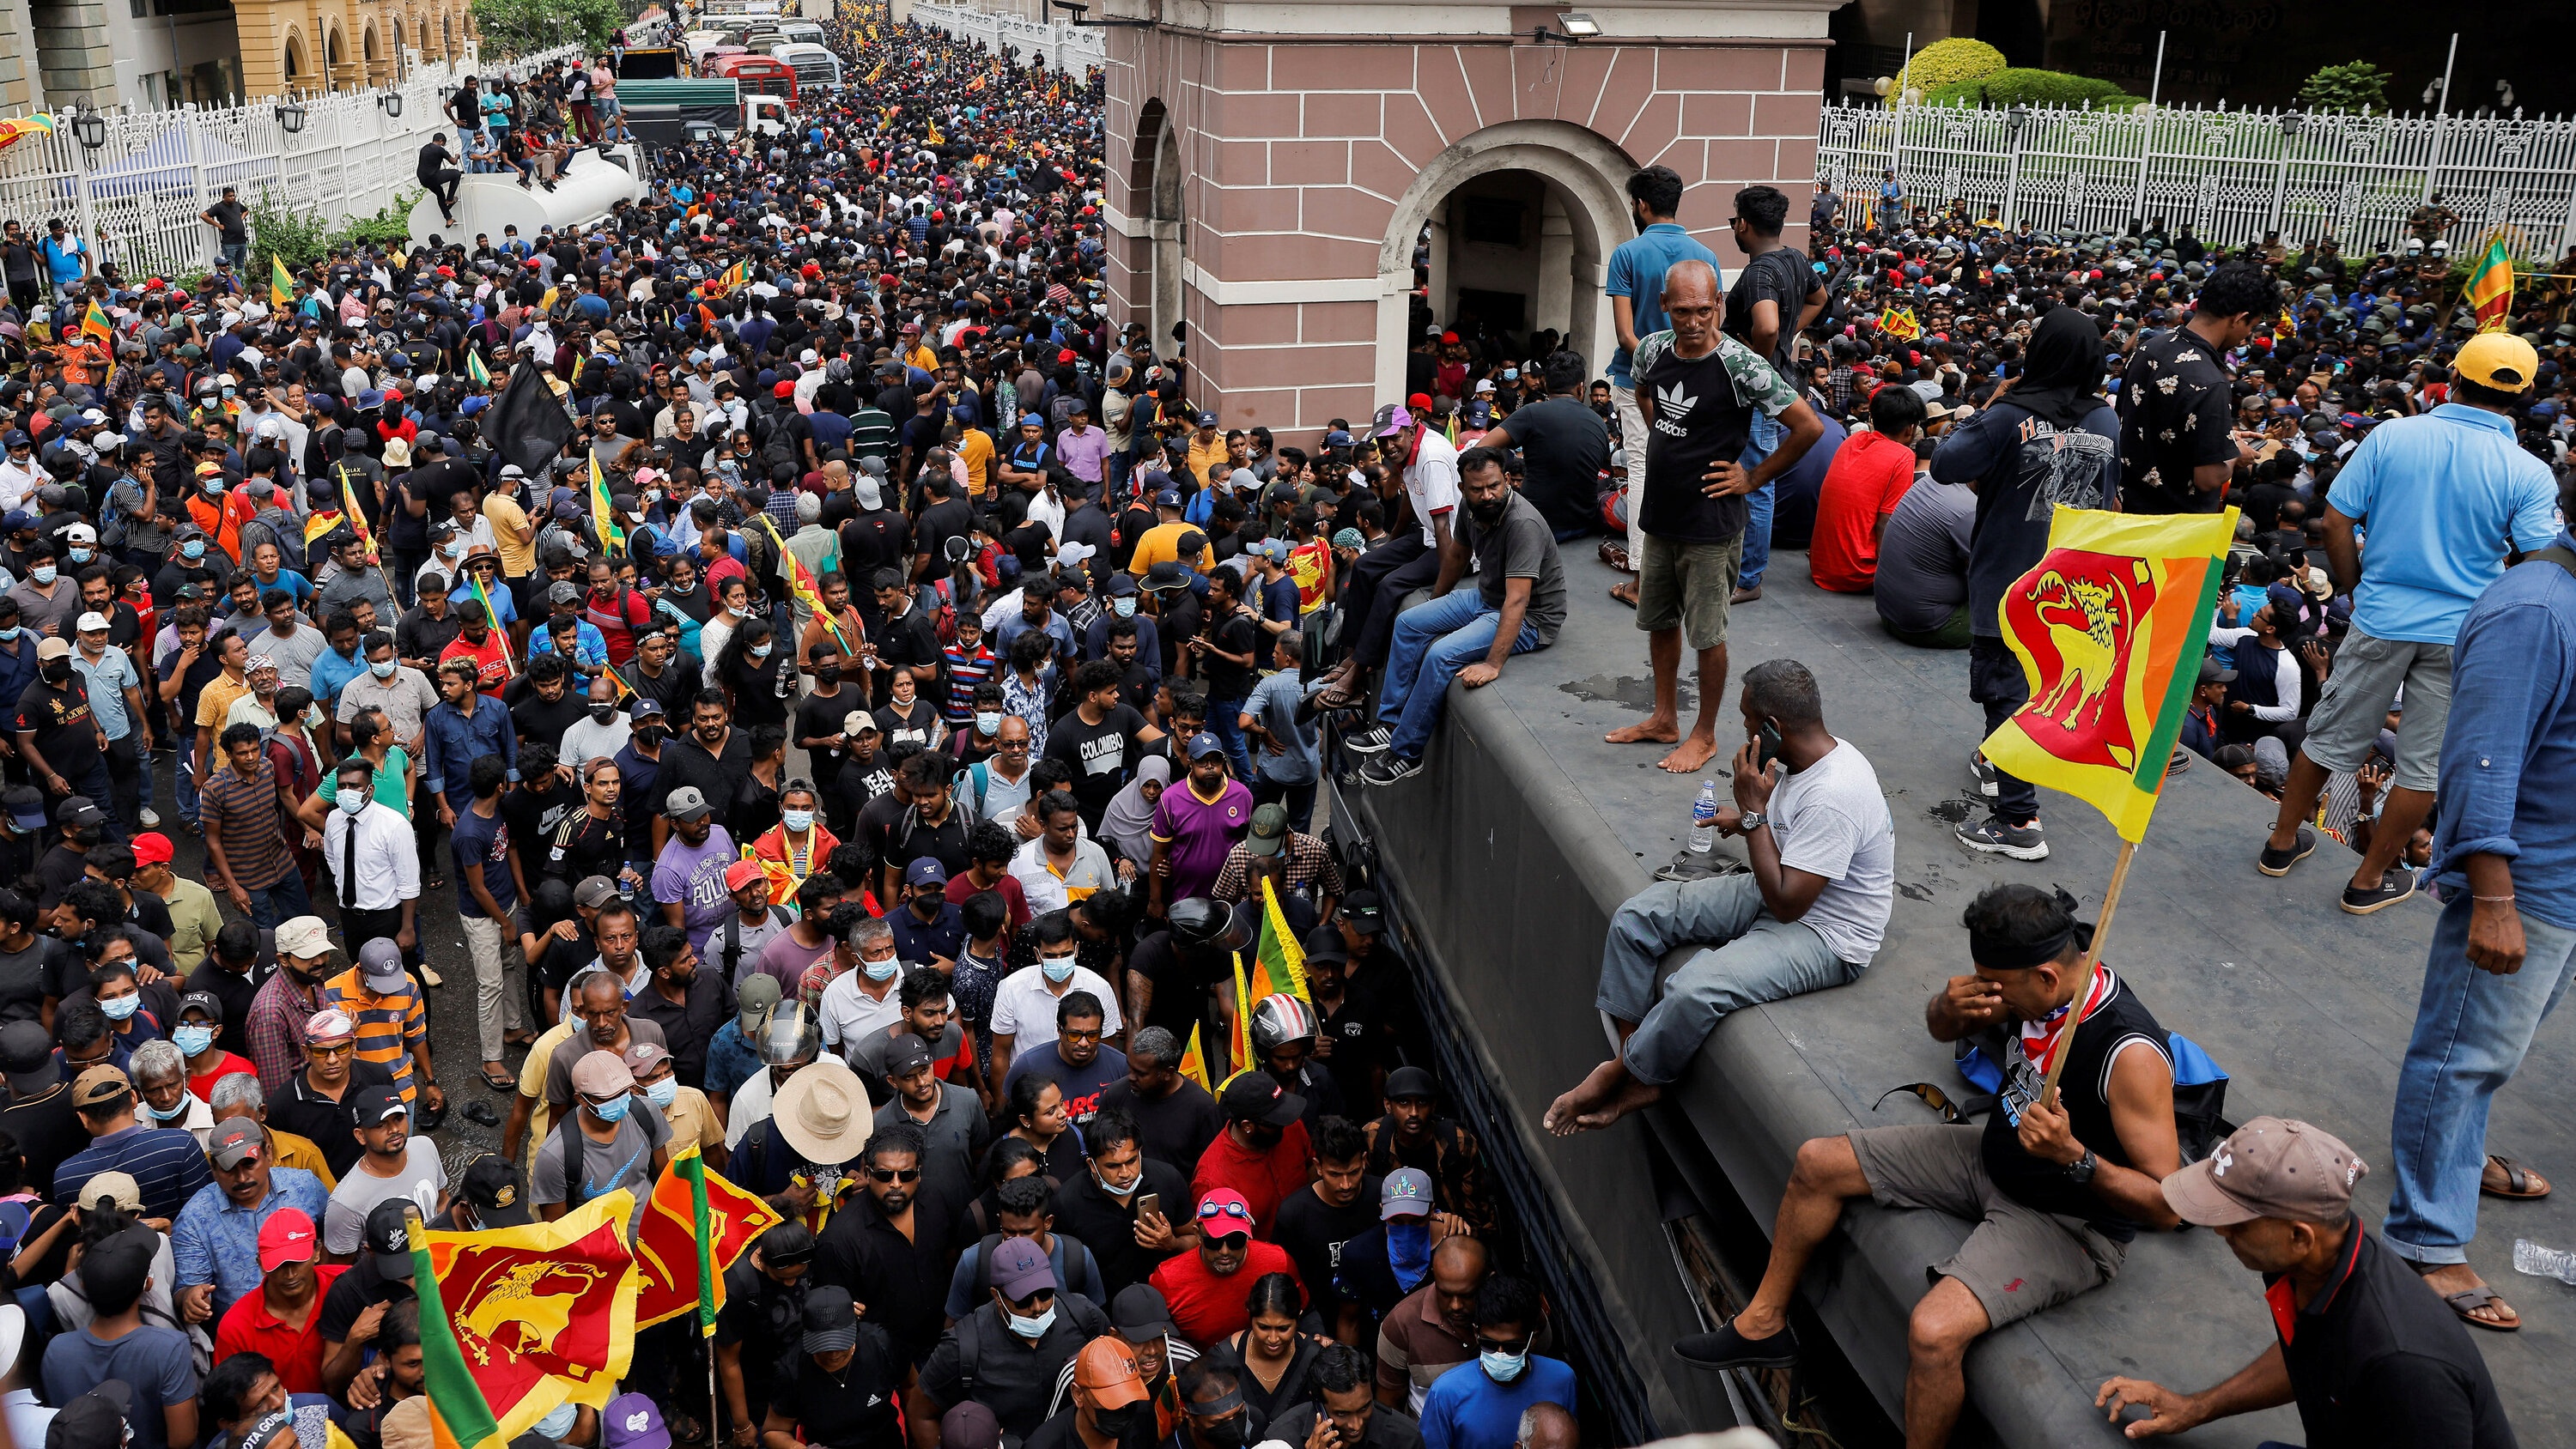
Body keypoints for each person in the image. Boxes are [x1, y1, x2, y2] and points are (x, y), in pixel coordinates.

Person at [1673, 884, 2182, 1449]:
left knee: (1934, 1330)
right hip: (1993, 1155)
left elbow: (2169, 1203)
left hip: (2065, 1221)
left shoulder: (2129, 1054)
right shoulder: (2044, 982)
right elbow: (1943, 1029)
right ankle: (1763, 1324)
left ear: (2044, 978)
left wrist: (2077, 1158)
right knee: (1818, 1163)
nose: (1990, 993)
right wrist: (1948, 1008)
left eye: (1997, 986)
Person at [2257, 332, 2557, 915]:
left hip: (2382, 615)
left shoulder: (2393, 436)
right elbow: (2538, 561)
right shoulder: (2529, 472)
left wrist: (2355, 589)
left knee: (2328, 737)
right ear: (2522, 395)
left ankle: (2280, 842)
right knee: (2424, 766)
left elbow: (2337, 523)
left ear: (2452, 375)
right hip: (2464, 634)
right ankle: (2368, 881)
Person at [2378, 511, 2576, 1334]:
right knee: (2462, 1055)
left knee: (2493, 1053)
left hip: (2561, 882)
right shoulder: (2536, 610)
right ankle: (2425, 1240)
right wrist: (2493, 898)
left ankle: (2454, 1162)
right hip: (2524, 886)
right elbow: (2480, 757)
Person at [1548, 661, 1893, 1133]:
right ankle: (1638, 1062)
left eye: (1748, 718)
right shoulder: (1806, 761)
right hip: (1781, 885)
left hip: (1826, 931)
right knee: (1637, 917)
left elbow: (1790, 904)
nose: (1744, 727)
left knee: (1695, 987)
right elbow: (1792, 837)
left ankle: (1627, 1073)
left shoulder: (1836, 794)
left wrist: (1753, 815)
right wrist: (1751, 814)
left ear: (1772, 728)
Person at [2093, 1117, 2515, 1447]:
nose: (2221, 1233)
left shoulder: (2404, 1366)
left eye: (2236, 1222)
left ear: (2299, 1236)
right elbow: (2311, 1348)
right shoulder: (2314, 1266)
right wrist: (2194, 1407)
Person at [1601, 260, 1822, 775]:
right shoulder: (1653, 349)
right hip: (1660, 516)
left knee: (1707, 634)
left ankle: (1704, 734)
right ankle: (1663, 718)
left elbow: (1806, 427)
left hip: (1710, 526)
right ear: (1664, 307)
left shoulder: (1742, 366)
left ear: (1719, 303)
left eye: (1703, 309)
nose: (1694, 321)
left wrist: (1752, 477)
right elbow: (1643, 394)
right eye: (1682, 310)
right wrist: (1664, 441)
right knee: (1658, 620)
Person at [1932, 305, 2121, 861]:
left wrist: (1990, 405)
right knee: (2042, 683)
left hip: (2009, 581)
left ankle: (2019, 821)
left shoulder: (2007, 416)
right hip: (2074, 584)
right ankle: (2000, 759)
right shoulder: (2105, 420)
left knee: (2002, 690)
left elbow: (1944, 463)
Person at [1346, 448, 1564, 786]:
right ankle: (1390, 724)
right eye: (1477, 489)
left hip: (1531, 618)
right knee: (1409, 623)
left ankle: (1406, 754)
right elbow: (1458, 555)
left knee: (1441, 654)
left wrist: (1493, 664)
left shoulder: (1522, 523)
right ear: (1463, 489)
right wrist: (1435, 606)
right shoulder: (1470, 507)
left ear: (1506, 480)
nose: (1487, 495)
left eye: (1494, 486)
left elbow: (1519, 600)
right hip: (1487, 596)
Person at [1601, 165, 1722, 595]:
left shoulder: (1627, 254)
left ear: (1641, 205)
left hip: (1639, 378)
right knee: (1686, 464)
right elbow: (1712, 328)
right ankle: (1678, 560)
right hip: (1694, 378)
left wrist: (1656, 369)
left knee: (1642, 466)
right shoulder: (1705, 255)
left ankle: (1642, 571)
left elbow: (1625, 334)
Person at [1415, 1276, 1572, 1449]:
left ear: (1531, 1338)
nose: (1500, 1353)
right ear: (1476, 1334)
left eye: (1512, 1347)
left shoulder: (1561, 1379)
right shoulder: (1446, 1394)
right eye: (1489, 1344)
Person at [1807, 384, 1923, 593]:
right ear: (1911, 428)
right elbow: (1885, 523)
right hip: (1857, 573)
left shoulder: (1854, 439)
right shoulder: (1903, 456)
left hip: (1821, 566)